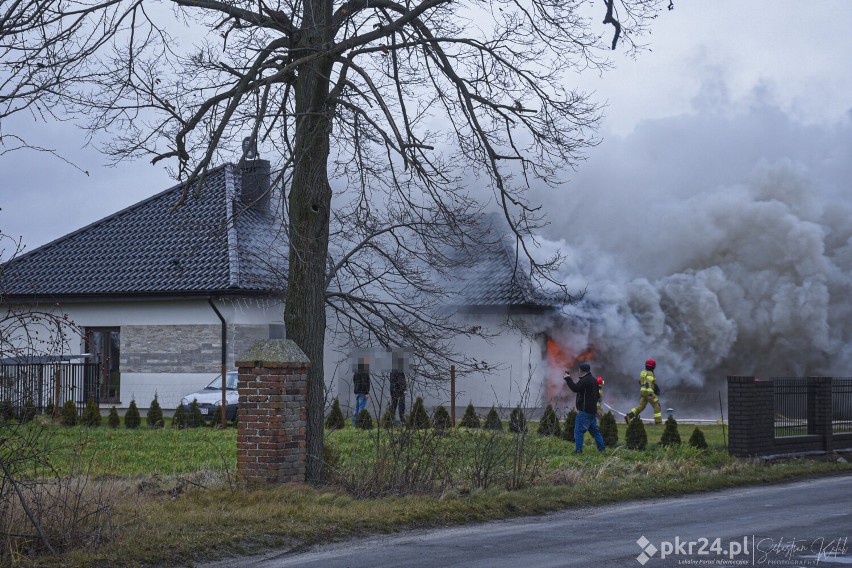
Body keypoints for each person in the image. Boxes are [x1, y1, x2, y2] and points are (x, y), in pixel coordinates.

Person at [563, 362, 606, 453]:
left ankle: (578, 450)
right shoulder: (594, 380)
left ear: (581, 370)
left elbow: (575, 388)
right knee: (595, 432)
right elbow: (598, 396)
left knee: (578, 431)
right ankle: (602, 449)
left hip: (585, 411)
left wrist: (568, 378)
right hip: (592, 411)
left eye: (579, 370)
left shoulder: (585, 380)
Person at [625, 358, 662, 424]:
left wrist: (654, 386)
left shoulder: (643, 372)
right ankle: (658, 421)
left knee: (641, 406)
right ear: (653, 366)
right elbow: (648, 383)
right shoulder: (650, 373)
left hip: (643, 392)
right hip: (648, 392)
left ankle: (629, 416)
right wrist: (650, 393)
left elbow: (640, 382)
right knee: (656, 405)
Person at [352, 359, 371, 426]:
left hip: (356, 392)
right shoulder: (365, 372)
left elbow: (354, 381)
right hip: (362, 392)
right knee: (361, 408)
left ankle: (354, 424)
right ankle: (360, 424)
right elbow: (365, 383)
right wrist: (366, 393)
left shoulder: (356, 372)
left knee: (356, 407)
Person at [389, 355, 407, 424]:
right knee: (401, 404)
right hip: (398, 389)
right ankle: (402, 420)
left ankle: (391, 419)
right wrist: (404, 389)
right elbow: (401, 380)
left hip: (393, 388)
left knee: (394, 404)